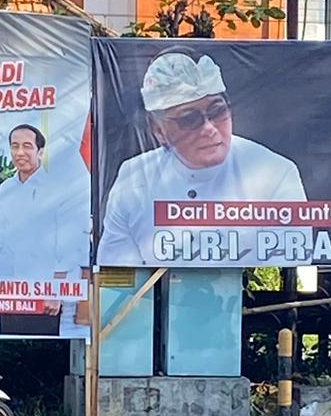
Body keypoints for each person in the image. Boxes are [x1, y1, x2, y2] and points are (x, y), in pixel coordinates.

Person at [96, 50, 308, 266]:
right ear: (159, 130)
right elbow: (116, 272)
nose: (209, 128)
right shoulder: (134, 178)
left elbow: (287, 267)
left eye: (217, 111)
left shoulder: (274, 173)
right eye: (189, 119)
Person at [0, 123, 90, 336]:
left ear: (40, 151)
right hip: (11, 291)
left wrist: (55, 291)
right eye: (15, 146)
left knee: (43, 350)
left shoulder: (58, 189)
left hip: (46, 294)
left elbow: (67, 245)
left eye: (27, 146)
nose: (20, 152)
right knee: (10, 341)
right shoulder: (6, 188)